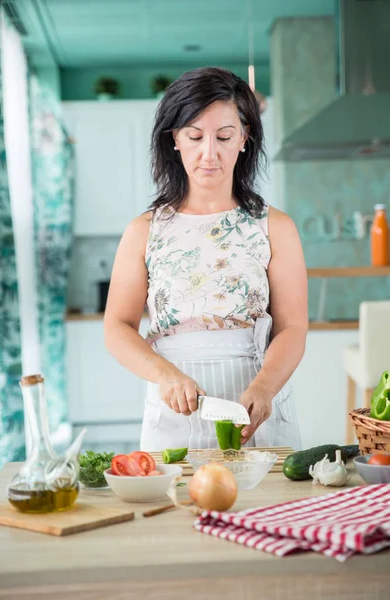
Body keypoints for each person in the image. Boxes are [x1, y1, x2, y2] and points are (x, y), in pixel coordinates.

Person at [104, 67, 308, 451]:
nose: (209, 153)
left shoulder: (275, 227)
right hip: (174, 412)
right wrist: (165, 376)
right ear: (175, 140)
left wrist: (264, 388)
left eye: (224, 136)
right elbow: (117, 326)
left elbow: (293, 327)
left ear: (245, 138)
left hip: (257, 408)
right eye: (195, 136)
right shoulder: (144, 231)